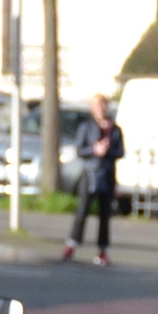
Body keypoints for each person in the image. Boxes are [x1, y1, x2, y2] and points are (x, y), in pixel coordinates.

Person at [61, 94, 124, 266]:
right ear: (92, 109)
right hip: (89, 174)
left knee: (105, 215)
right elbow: (80, 150)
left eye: (103, 105)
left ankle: (102, 251)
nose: (101, 108)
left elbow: (120, 152)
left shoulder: (115, 129)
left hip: (107, 175)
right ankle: (72, 244)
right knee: (82, 210)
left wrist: (108, 151)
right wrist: (94, 150)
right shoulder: (86, 127)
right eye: (97, 105)